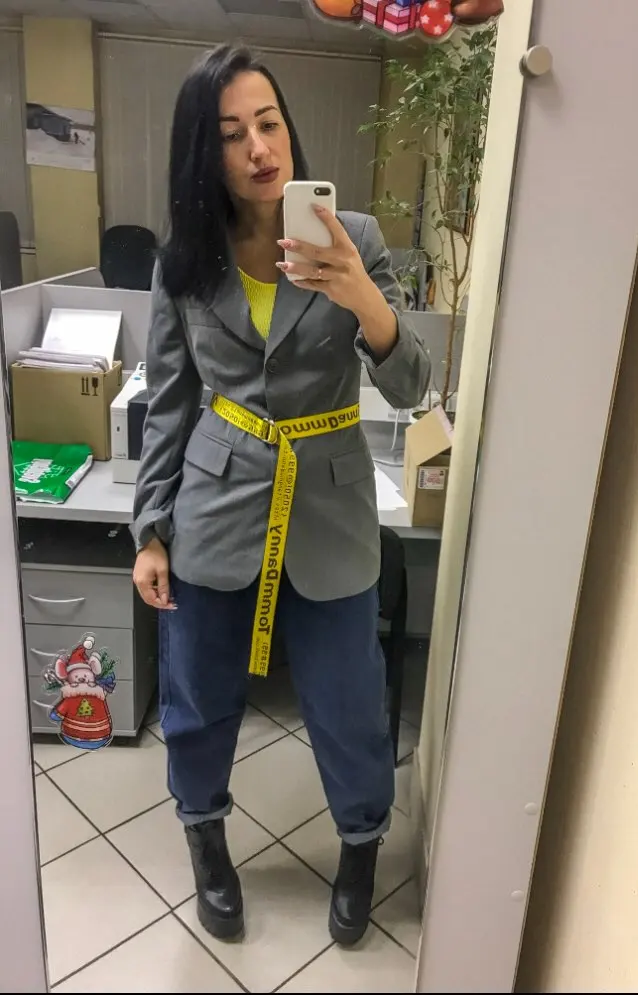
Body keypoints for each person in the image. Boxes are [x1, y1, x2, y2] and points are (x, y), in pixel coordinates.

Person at [131, 43, 430, 946]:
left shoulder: (355, 236)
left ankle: (361, 845)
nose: (260, 148)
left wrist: (363, 298)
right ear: (204, 151)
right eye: (232, 134)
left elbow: (412, 384)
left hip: (330, 506)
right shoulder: (186, 259)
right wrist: (150, 529)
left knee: (348, 700)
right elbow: (169, 400)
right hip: (214, 505)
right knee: (198, 694)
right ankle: (206, 841)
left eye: (269, 123)